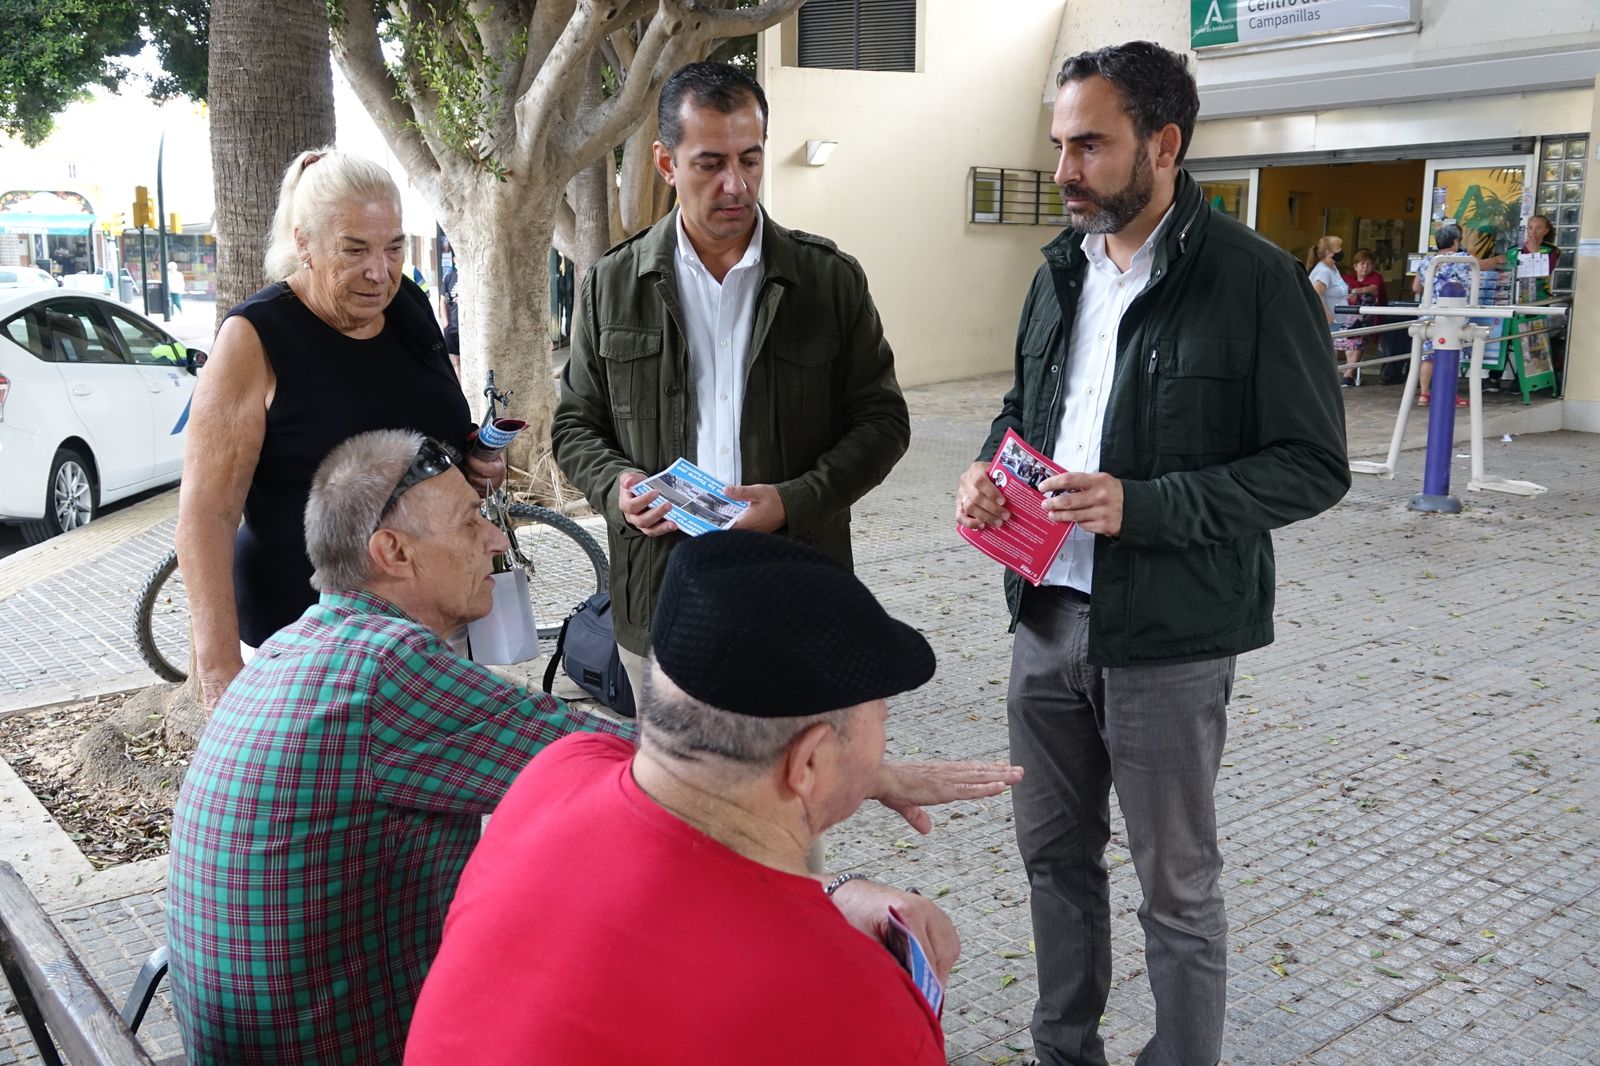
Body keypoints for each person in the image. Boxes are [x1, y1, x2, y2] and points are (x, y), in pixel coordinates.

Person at [954, 41, 1349, 1066]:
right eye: (1058, 145)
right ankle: (1061, 1050)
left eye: (1089, 145)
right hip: (1042, 617)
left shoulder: (1256, 284)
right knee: (1051, 860)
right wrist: (985, 470)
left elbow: (1311, 467)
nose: (1064, 170)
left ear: (1163, 145)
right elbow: (1023, 411)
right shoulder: (1058, 273)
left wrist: (1149, 505)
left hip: (1170, 640)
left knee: (1175, 885)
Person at [407, 531, 1016, 1065]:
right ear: (806, 763)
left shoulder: (557, 774)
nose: (885, 729)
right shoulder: (854, 1003)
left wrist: (835, 890)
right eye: (883, 708)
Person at [167, 430, 631, 1065]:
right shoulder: (386, 668)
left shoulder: (296, 645)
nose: (497, 540)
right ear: (393, 551)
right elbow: (629, 767)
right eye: (473, 522)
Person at [552, 61, 911, 698]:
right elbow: (576, 426)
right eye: (710, 163)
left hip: (797, 588)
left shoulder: (829, 280)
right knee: (671, 795)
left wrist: (793, 501)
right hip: (663, 602)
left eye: (750, 158)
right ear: (666, 163)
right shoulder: (609, 286)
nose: (736, 185)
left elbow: (883, 422)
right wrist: (618, 487)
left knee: (798, 791)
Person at [174, 147, 500, 710]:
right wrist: (218, 670)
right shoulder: (254, 338)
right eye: (355, 250)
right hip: (302, 643)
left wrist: (473, 467)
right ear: (303, 243)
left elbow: (435, 430)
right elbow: (207, 514)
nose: (380, 272)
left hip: (429, 632)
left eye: (393, 247)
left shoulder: (408, 304)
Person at [1412, 222, 1482, 408]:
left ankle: (1424, 394)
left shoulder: (1428, 261)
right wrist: (1498, 259)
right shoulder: (1462, 259)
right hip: (1453, 315)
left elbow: (1415, 287)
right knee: (1451, 351)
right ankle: (1449, 394)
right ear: (1455, 241)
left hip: (1430, 312)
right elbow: (1481, 266)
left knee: (1428, 355)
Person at [1307, 235, 1353, 386]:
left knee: (1329, 349)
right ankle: (1321, 381)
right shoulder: (1323, 271)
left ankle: (1325, 380)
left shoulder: (1332, 268)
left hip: (1337, 319)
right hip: (1328, 320)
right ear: (1328, 252)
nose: (1341, 251)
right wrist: (1326, 313)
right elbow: (1317, 293)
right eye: (1338, 249)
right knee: (1325, 350)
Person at [1341, 248, 1388, 384]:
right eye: (1362, 263)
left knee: (1356, 338)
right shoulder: (1347, 279)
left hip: (1367, 319)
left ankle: (1349, 373)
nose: (1365, 267)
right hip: (1346, 318)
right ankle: (1348, 370)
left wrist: (1355, 291)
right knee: (1339, 334)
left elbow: (1374, 288)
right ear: (1355, 266)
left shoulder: (1376, 278)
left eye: (1368, 264)